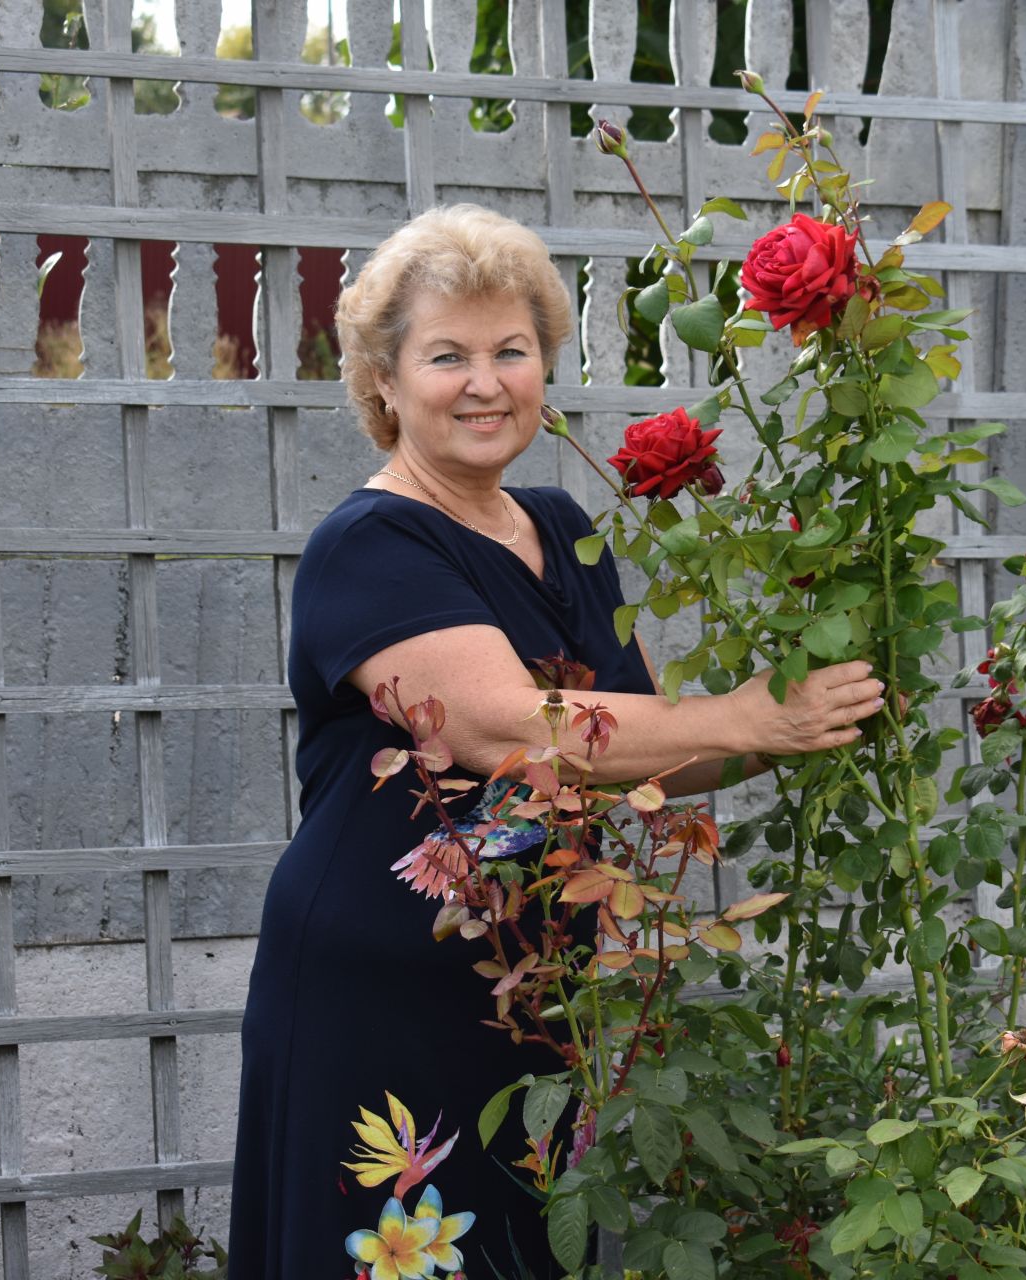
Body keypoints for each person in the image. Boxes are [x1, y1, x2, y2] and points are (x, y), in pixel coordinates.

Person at [225, 204, 886, 1279]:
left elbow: (642, 748)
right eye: (447, 355)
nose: (484, 381)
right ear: (384, 385)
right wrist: (752, 712)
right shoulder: (366, 542)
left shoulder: (563, 527)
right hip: (378, 985)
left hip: (529, 992)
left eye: (511, 351)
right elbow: (514, 730)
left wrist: (795, 722)